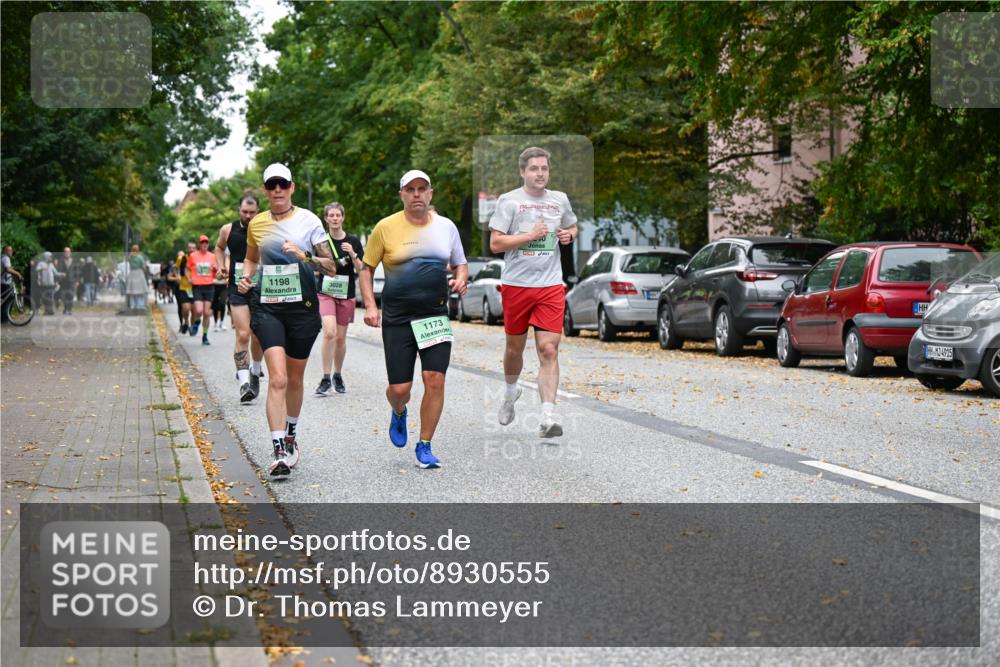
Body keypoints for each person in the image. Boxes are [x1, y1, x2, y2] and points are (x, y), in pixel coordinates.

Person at [359, 170, 468, 469]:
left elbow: (461, 264)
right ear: (402, 195)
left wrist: (461, 279)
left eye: (422, 189)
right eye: (410, 189)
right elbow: (366, 269)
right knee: (400, 389)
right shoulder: (385, 228)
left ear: (430, 193)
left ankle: (425, 445)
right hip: (397, 318)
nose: (417, 194)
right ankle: (398, 411)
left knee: (435, 379)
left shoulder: (446, 227)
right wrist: (371, 306)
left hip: (434, 314)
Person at [237, 163, 337, 476]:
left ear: (292, 187)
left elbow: (332, 266)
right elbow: (251, 258)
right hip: (268, 308)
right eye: (271, 185)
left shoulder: (309, 220)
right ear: (266, 190)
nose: (277, 190)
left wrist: (304, 256)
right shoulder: (258, 223)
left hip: (303, 309)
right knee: (277, 378)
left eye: (283, 184)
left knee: (294, 379)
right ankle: (279, 449)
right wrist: (245, 277)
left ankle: (291, 434)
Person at [489, 146, 578, 438]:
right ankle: (511, 391)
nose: (540, 173)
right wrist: (529, 236)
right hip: (517, 285)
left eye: (544, 168)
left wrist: (569, 235)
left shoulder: (559, 200)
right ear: (522, 172)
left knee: (548, 349)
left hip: (550, 285)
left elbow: (572, 226)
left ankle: (548, 417)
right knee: (514, 349)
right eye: (534, 169)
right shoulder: (509, 202)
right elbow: (496, 244)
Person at [216, 195, 266, 403]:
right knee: (243, 334)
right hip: (237, 287)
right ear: (239, 210)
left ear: (258, 211)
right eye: (244, 212)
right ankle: (244, 383)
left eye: (251, 213)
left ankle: (255, 369)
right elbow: (219, 248)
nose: (247, 216)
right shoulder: (228, 230)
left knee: (258, 335)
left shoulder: (265, 228)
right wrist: (221, 266)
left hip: (260, 286)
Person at [314, 202, 364, 396]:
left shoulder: (352, 240)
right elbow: (314, 265)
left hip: (346, 294)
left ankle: (337, 374)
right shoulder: (321, 242)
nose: (335, 218)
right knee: (329, 333)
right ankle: (325, 378)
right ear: (326, 219)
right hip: (325, 292)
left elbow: (361, 269)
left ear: (343, 218)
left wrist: (352, 254)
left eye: (338, 215)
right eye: (331, 215)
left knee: (341, 338)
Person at [187, 235, 218, 345]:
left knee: (206, 313)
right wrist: (189, 278)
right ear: (199, 244)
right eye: (202, 242)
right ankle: (196, 322)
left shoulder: (213, 256)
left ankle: (204, 336)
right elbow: (187, 269)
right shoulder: (193, 256)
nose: (204, 244)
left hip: (209, 286)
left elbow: (217, 272)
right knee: (199, 311)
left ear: (208, 244)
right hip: (197, 286)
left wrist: (216, 270)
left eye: (206, 243)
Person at [168, 246, 194, 333]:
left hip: (191, 287)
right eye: (179, 256)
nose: (181, 257)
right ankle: (182, 324)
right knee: (181, 307)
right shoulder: (177, 263)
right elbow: (170, 275)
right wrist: (177, 277)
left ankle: (188, 324)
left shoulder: (193, 260)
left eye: (182, 255)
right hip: (179, 287)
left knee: (191, 307)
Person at [54, 247, 79, 315]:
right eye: (65, 251)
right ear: (64, 253)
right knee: (64, 296)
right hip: (63, 281)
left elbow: (77, 271)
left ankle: (69, 309)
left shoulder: (74, 261)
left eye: (68, 251)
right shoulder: (61, 260)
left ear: (70, 253)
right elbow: (58, 270)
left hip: (72, 281)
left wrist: (77, 281)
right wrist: (59, 278)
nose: (67, 253)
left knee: (71, 295)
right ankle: (65, 308)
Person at [1, 245, 23, 323]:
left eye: (11, 250)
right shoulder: (5, 258)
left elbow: (9, 269)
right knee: (8, 300)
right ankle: (4, 319)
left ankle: (4, 318)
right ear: (5, 251)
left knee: (5, 300)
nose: (11, 252)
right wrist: (18, 274)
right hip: (4, 283)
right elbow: (8, 269)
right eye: (10, 250)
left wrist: (14, 274)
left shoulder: (2, 258)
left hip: (3, 282)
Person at [125, 245, 149, 311]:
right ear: (138, 249)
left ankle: (132, 305)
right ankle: (140, 305)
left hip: (132, 273)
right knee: (140, 290)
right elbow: (143, 266)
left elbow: (128, 261)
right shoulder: (140, 257)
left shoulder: (130, 257)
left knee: (132, 289)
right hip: (139, 273)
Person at [211, 253, 228, 331]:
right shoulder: (212, 260)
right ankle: (215, 323)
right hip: (214, 284)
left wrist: (224, 274)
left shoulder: (226, 261)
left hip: (223, 285)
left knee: (222, 303)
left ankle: (222, 322)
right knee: (215, 304)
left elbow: (228, 273)